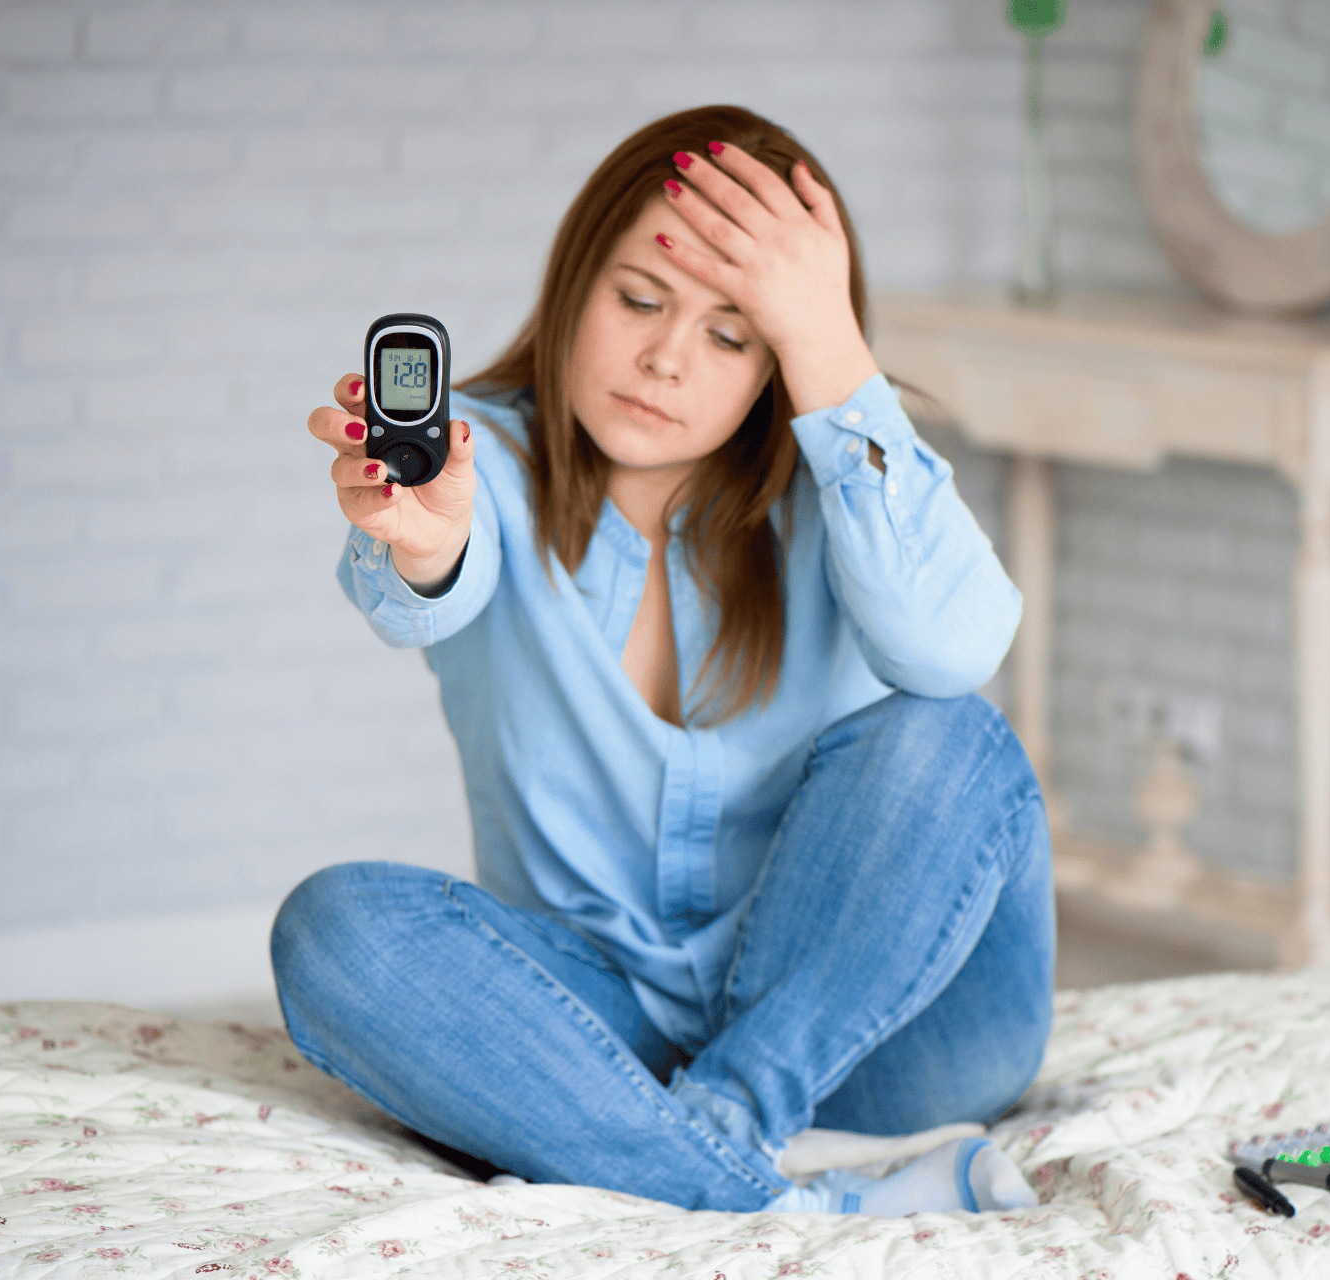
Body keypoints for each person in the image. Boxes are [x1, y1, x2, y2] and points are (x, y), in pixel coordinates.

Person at [272, 104, 1054, 1216]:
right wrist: (426, 542)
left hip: (888, 1036)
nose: (664, 358)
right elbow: (421, 591)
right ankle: (774, 1200)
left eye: (733, 336)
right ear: (577, 277)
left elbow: (957, 644)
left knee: (948, 730)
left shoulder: (843, 481)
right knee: (335, 930)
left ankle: (717, 1130)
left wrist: (827, 341)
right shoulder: (475, 459)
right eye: (639, 298)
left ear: (777, 359)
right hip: (612, 1025)